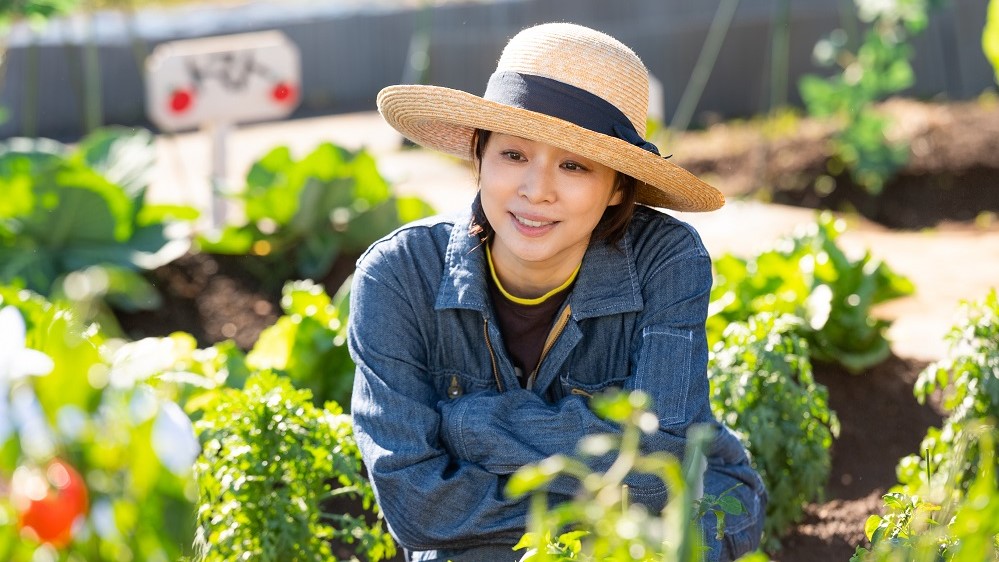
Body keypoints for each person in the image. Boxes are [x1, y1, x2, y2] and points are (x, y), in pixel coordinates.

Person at [348, 22, 766, 562]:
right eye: (514, 156)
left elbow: (661, 470)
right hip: (520, 537)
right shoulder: (399, 274)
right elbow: (417, 506)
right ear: (480, 154)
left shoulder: (666, 259)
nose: (535, 190)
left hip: (684, 510)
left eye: (573, 165)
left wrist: (471, 426)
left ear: (618, 187)